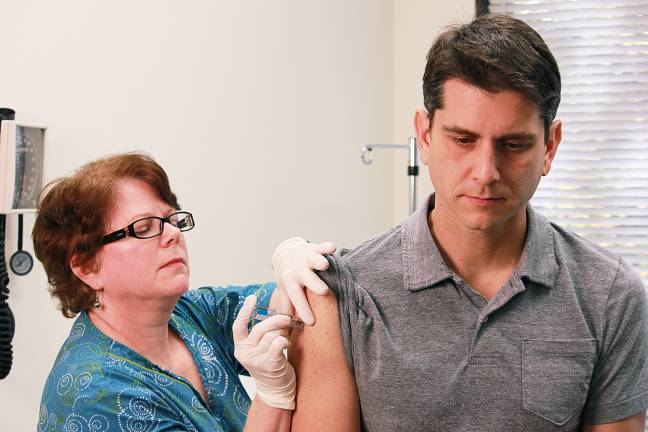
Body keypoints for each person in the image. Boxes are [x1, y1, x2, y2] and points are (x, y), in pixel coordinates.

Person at [280, 14, 648, 431]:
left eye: (513, 144)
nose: (486, 171)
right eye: (463, 139)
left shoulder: (610, 295)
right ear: (425, 134)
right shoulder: (346, 293)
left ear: (550, 146)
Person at [33, 152, 334, 432]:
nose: (173, 233)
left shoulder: (189, 314)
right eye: (143, 227)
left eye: (172, 219)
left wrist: (293, 258)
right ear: (86, 267)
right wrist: (272, 395)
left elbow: (300, 302)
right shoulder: (95, 395)